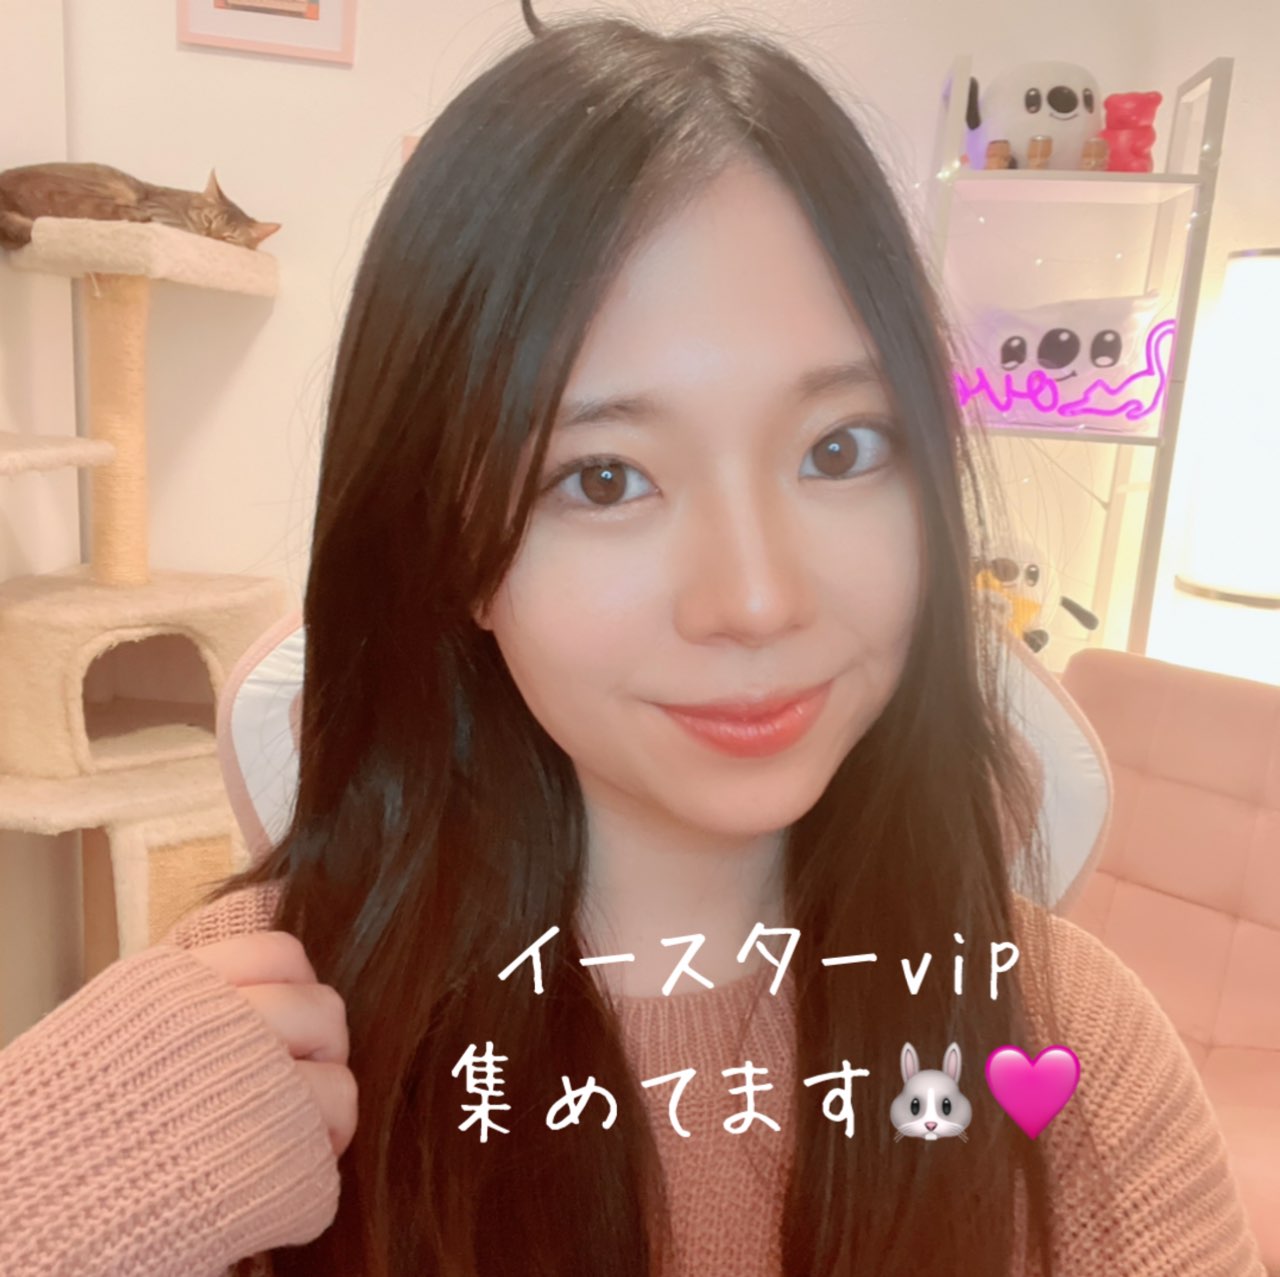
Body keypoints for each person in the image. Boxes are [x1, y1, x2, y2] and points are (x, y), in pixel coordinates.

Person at [0, 4, 1267, 1275]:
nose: (755, 599)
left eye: (839, 448)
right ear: (452, 549)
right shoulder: (237, 1046)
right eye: (602, 478)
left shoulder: (1062, 1046)